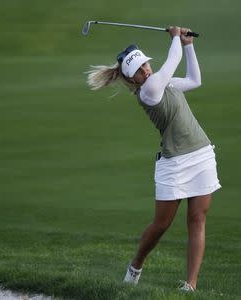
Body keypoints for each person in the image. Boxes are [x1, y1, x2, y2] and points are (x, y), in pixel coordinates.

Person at [86, 26, 221, 292]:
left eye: (146, 64)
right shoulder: (148, 92)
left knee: (197, 218)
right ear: (132, 79)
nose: (146, 70)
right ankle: (135, 265)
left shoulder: (163, 81)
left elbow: (195, 81)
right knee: (161, 225)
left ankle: (190, 285)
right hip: (174, 164)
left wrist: (188, 45)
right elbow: (172, 62)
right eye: (139, 70)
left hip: (201, 154)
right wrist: (175, 39)